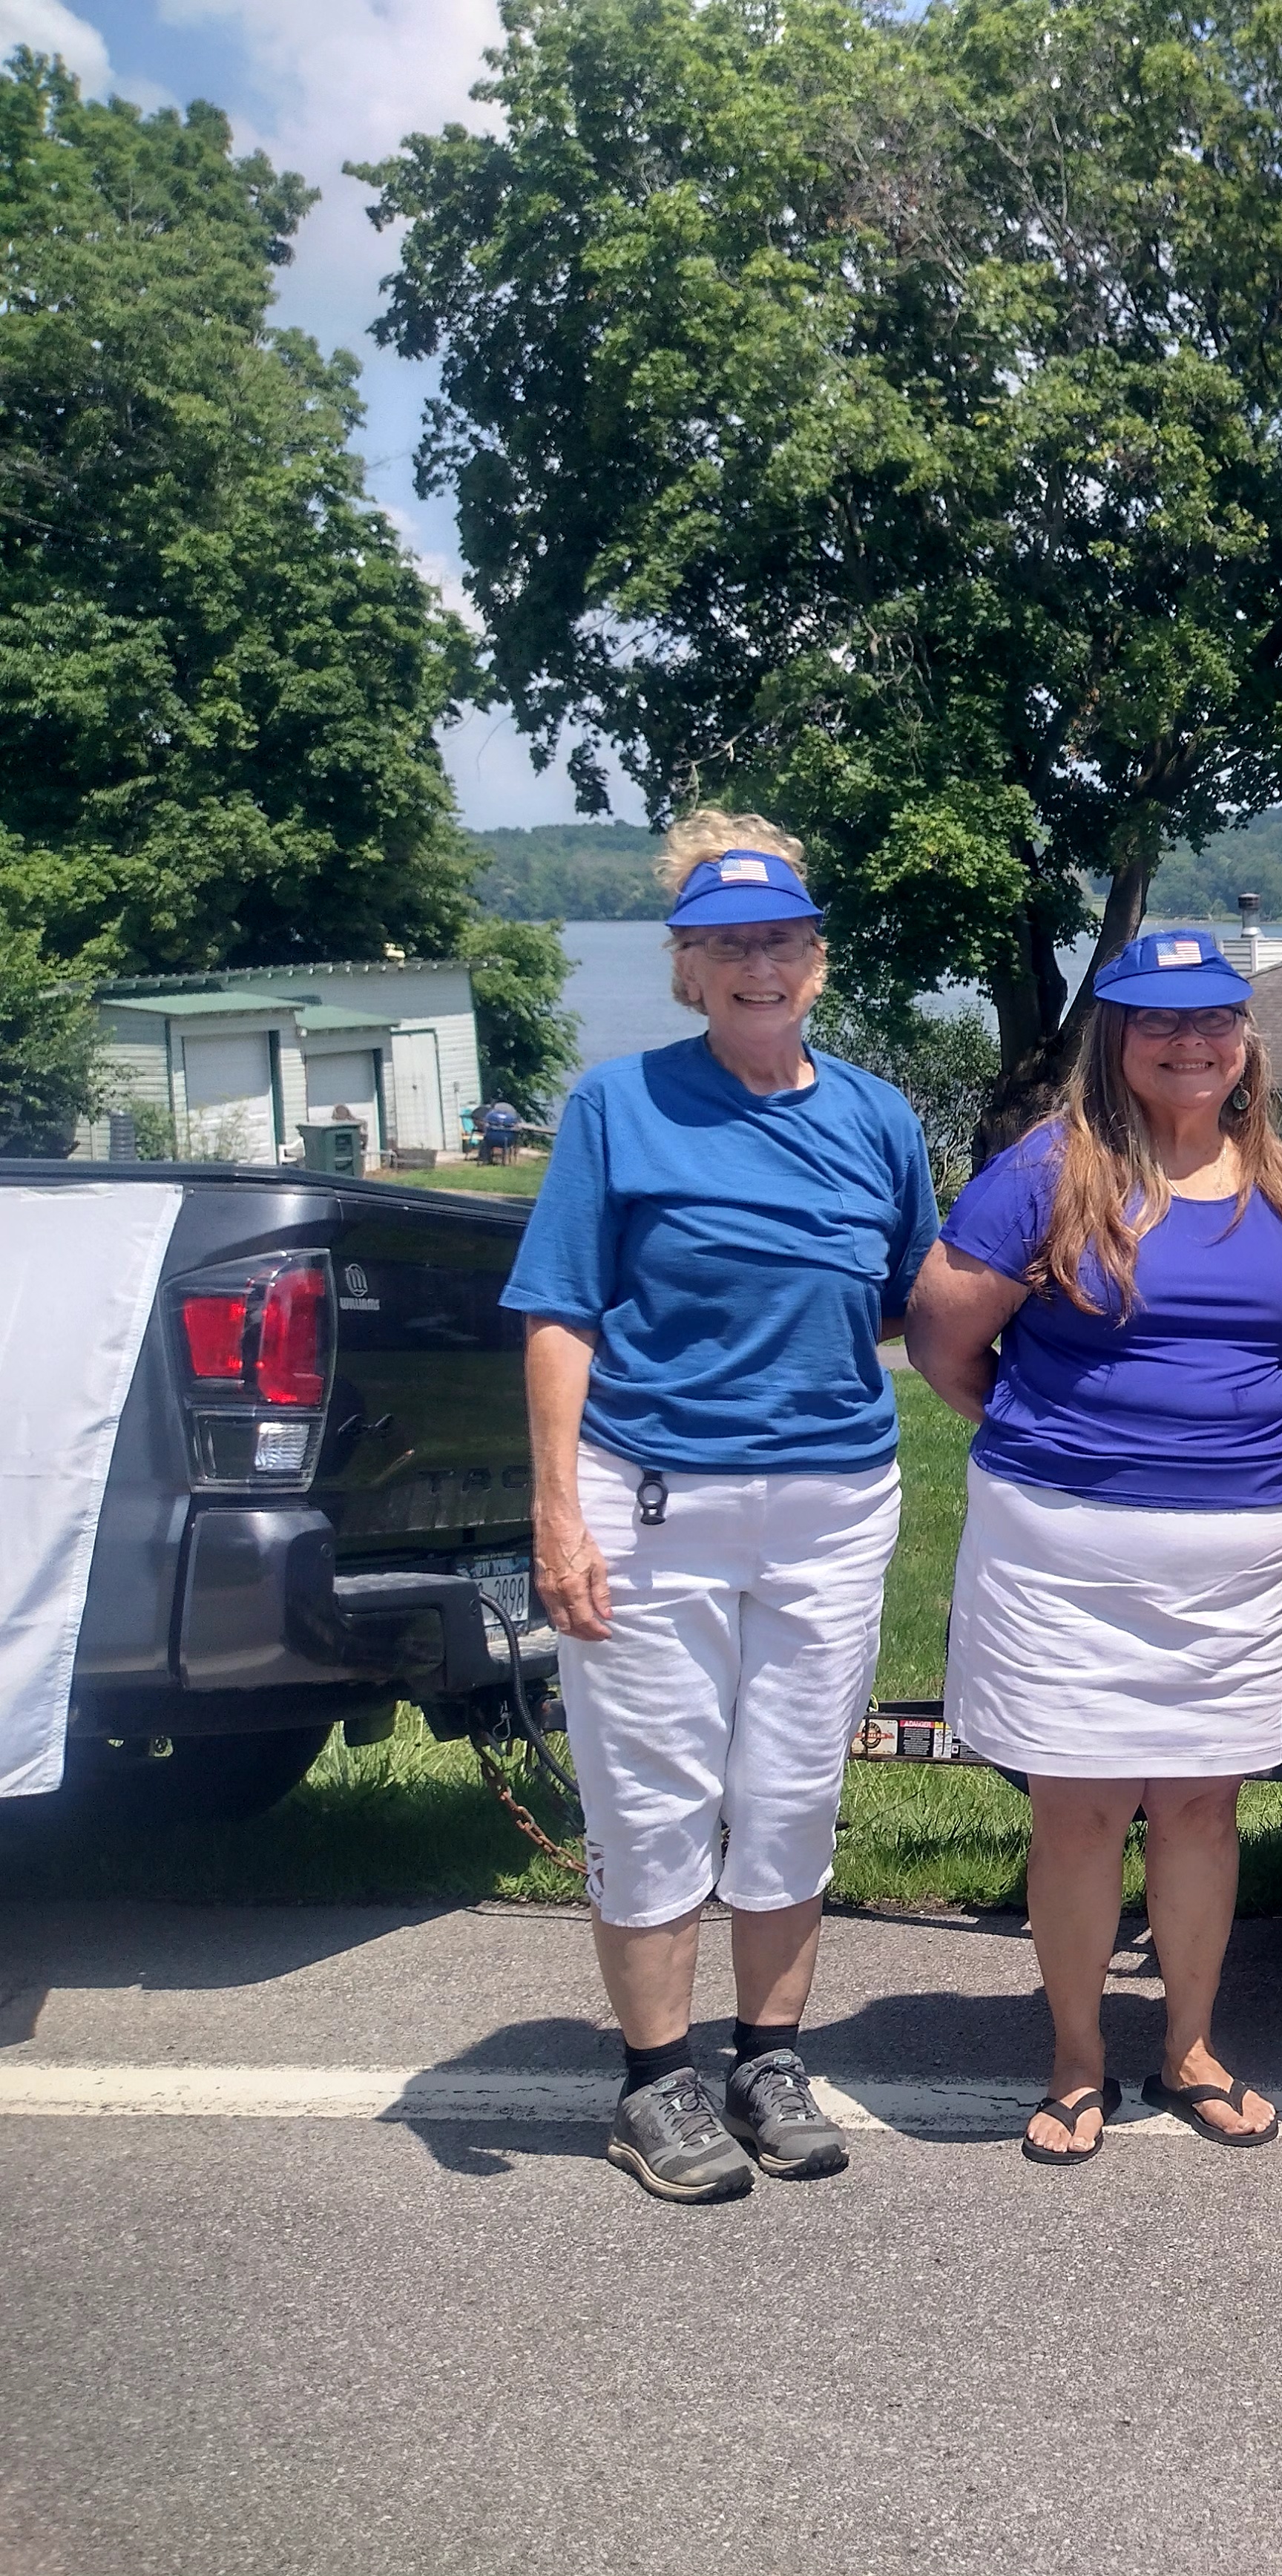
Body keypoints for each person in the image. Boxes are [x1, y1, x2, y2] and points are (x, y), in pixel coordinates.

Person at [506, 814, 938, 2204]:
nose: (761, 966)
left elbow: (918, 1306)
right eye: (729, 946)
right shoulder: (615, 1106)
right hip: (649, 1502)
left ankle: (767, 2058)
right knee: (654, 1802)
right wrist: (557, 1515)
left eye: (783, 941)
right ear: (688, 969)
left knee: (794, 1792)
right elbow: (560, 1317)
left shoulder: (875, 1115)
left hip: (833, 1504)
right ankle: (653, 2083)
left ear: (817, 961)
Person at [906, 929, 1282, 2165]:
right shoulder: (1049, 1170)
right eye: (1158, 1022)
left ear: (1244, 1041)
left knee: (1200, 1805)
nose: (1189, 1043)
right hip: (1065, 1551)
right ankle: (1078, 2061)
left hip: (1240, 1553)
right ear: (1117, 1038)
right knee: (1079, 1813)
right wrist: (1051, 1433)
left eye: (1213, 1021)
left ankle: (1189, 2047)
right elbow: (940, 1336)